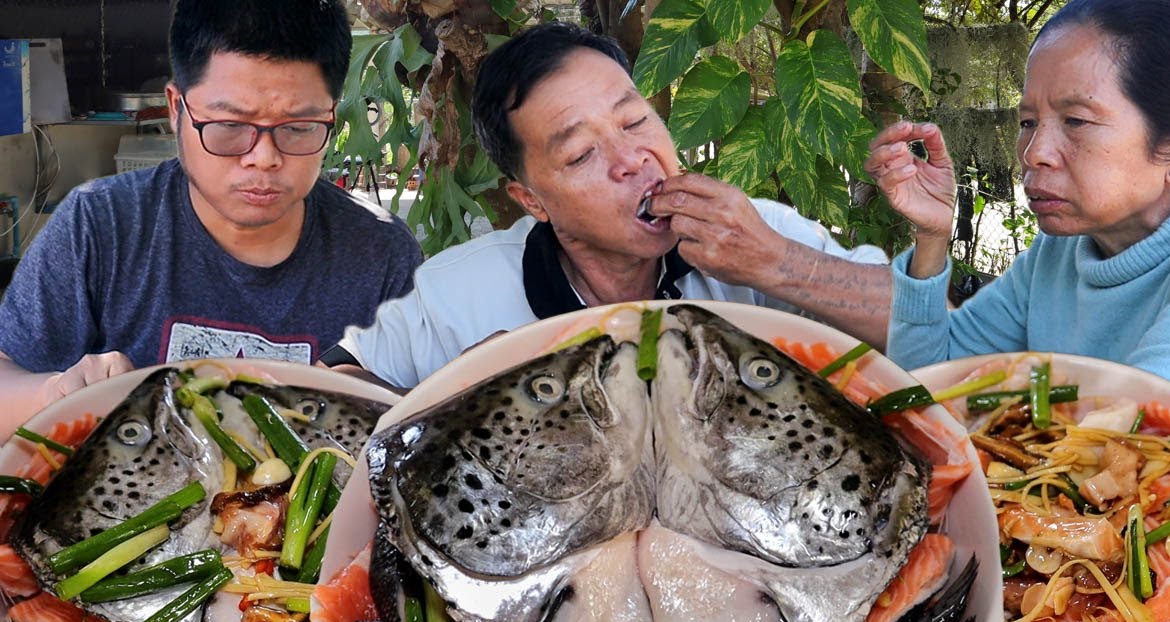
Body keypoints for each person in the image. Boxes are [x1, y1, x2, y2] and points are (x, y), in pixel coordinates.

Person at [323, 22, 892, 388]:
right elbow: (338, 384)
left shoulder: (759, 231)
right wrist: (461, 395)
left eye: (635, 119)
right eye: (580, 155)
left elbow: (930, 330)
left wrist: (779, 264)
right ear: (532, 200)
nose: (632, 159)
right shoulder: (458, 294)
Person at [865, 0, 1170, 477]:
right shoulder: (1058, 256)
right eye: (1028, 122)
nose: (1034, 152)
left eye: (1076, 121)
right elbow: (929, 389)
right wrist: (932, 238)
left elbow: (1133, 440)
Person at [0, 0, 423, 439]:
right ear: (175, 109)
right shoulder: (101, 226)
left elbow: (422, 422)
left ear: (331, 115)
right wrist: (54, 393)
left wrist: (382, 402)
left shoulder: (380, 254)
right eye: (229, 125)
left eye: (299, 127)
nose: (264, 158)